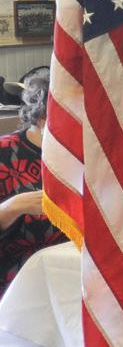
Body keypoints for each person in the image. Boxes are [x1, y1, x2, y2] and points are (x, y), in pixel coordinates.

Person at [0, 75, 66, 292]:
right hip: (17, 284)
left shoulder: (84, 156)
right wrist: (13, 207)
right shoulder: (5, 153)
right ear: (42, 117)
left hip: (70, 274)